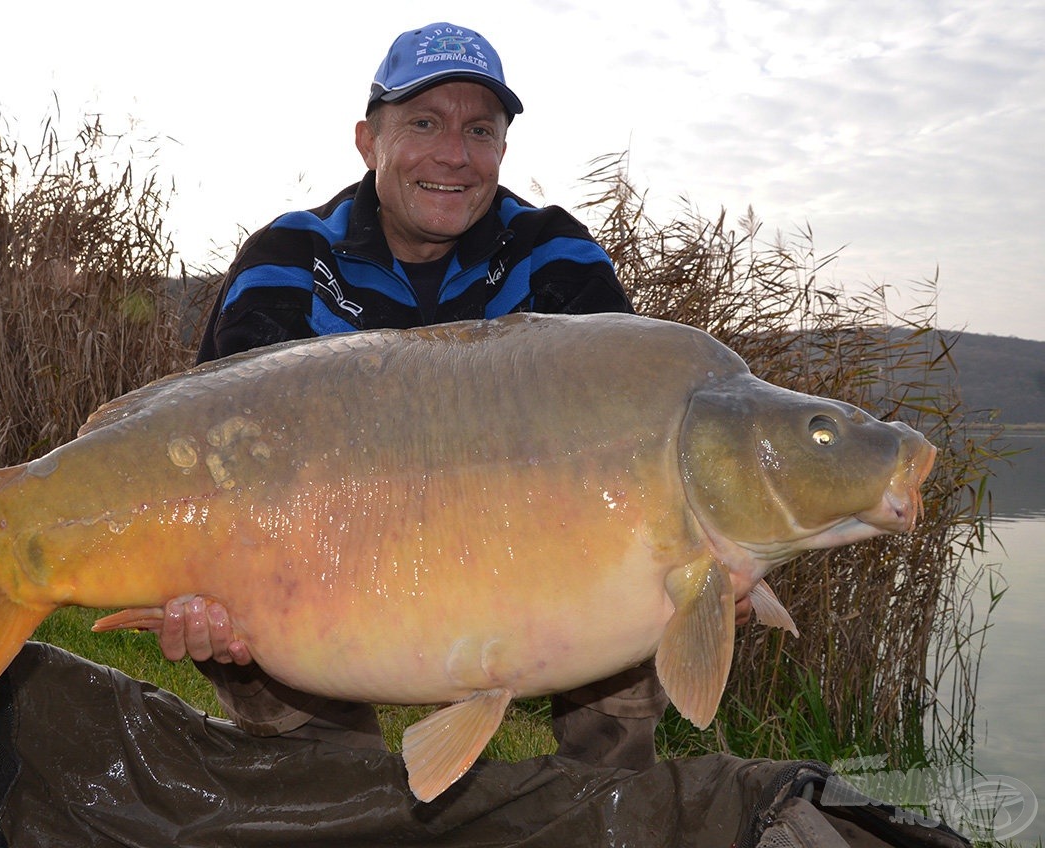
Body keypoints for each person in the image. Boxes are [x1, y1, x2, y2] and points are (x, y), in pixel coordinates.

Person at [140, 21, 745, 772]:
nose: (454, 154)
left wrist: (714, 563)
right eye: (424, 123)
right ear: (369, 141)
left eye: (479, 130)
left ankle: (602, 796)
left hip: (520, 562)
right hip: (327, 563)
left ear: (501, 148)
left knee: (640, 610)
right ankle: (328, 784)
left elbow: (635, 443)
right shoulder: (290, 258)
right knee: (299, 728)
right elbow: (219, 457)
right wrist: (197, 595)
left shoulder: (556, 255)